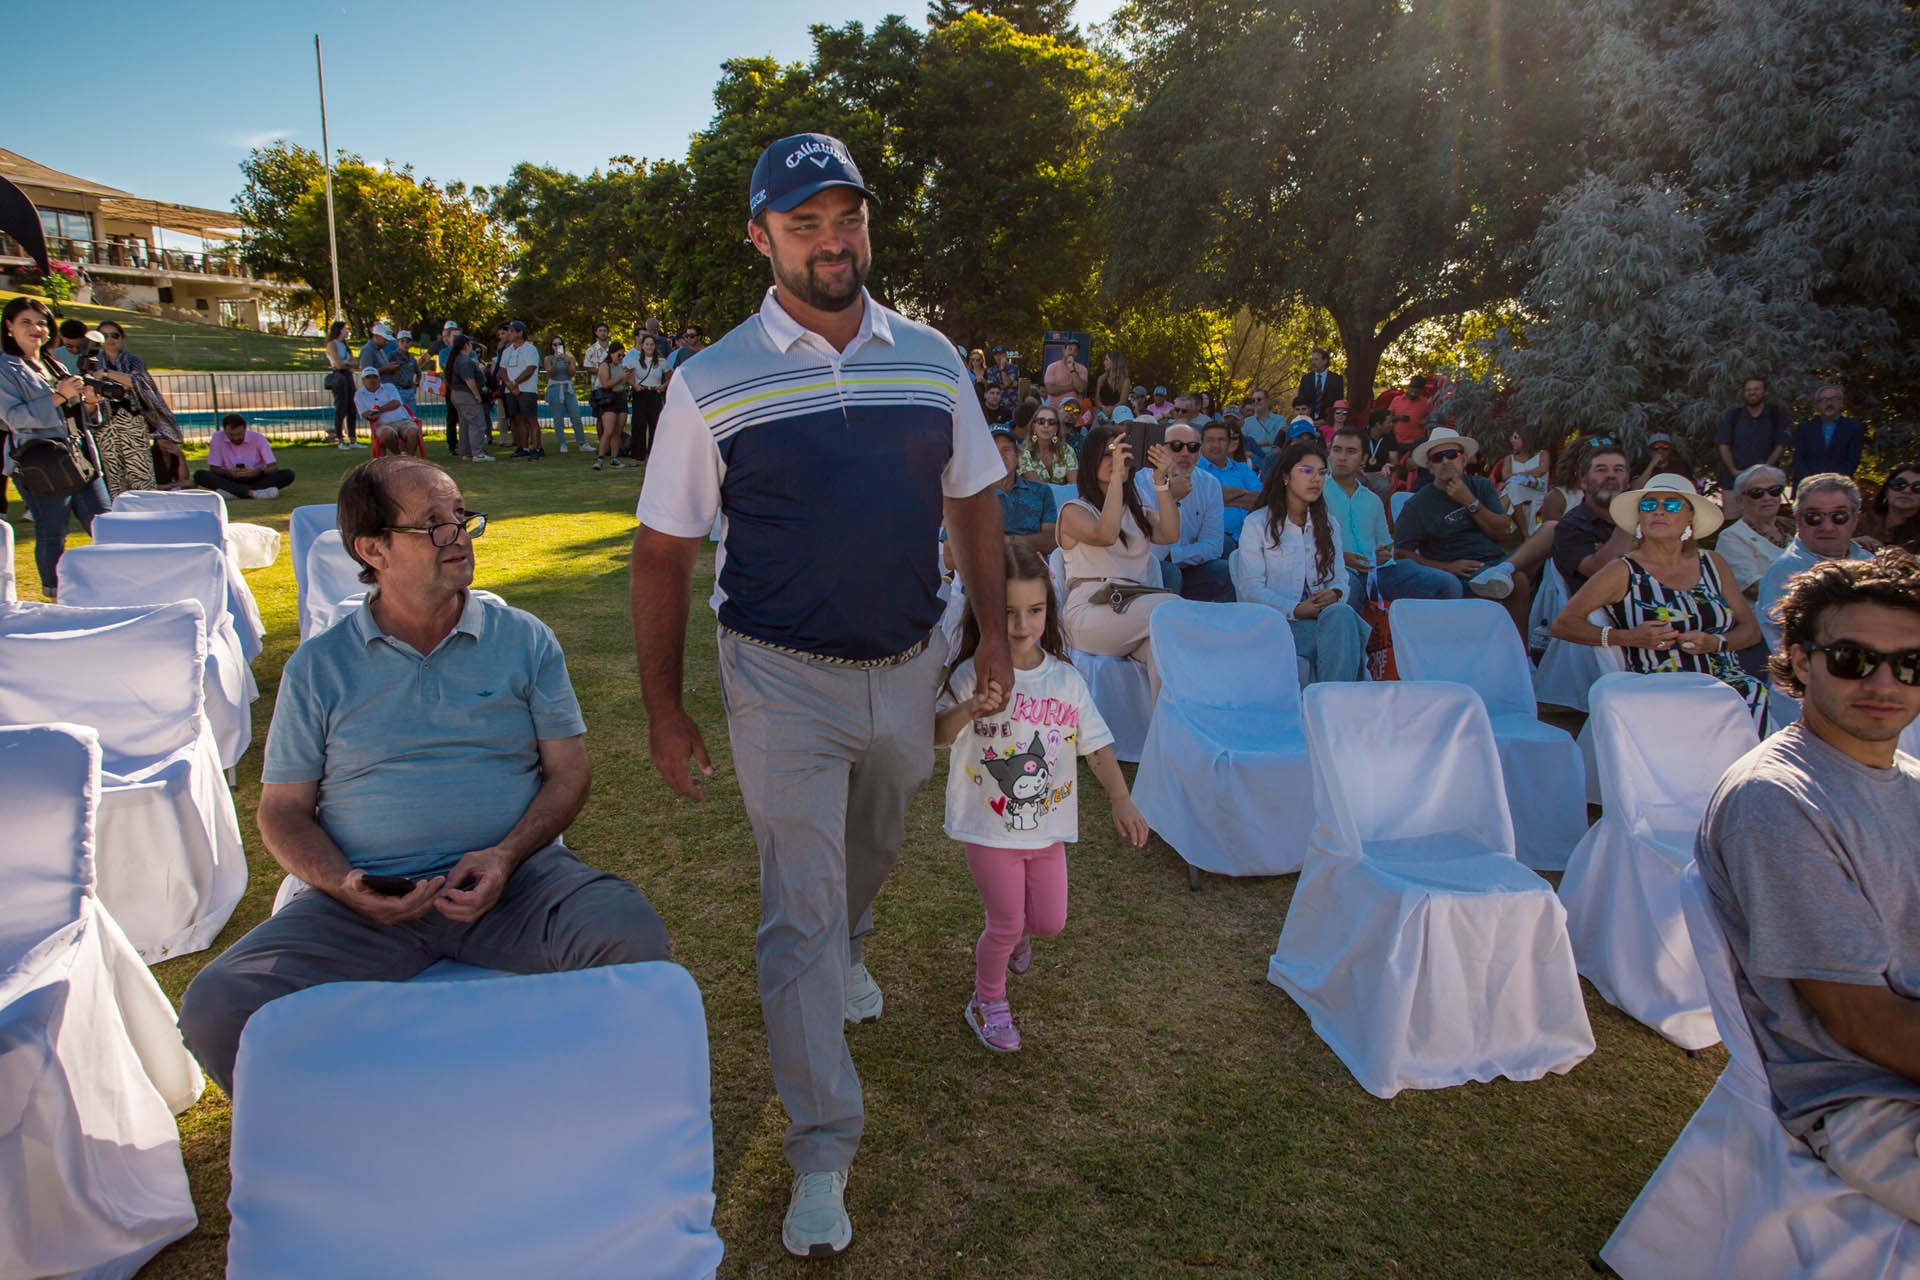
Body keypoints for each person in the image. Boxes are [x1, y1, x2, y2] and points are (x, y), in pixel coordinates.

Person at [629, 133, 1009, 1261]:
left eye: (848, 218)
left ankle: (853, 937)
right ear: (761, 237)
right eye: (804, 224)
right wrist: (665, 708)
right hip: (777, 675)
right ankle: (821, 1149)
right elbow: (663, 551)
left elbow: (973, 497)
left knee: (872, 844)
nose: (832, 241)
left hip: (908, 665)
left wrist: (991, 633)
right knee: (799, 901)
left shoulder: (931, 358)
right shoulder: (710, 380)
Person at [178, 457, 671, 1098]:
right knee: (218, 1005)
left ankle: (583, 1114)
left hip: (517, 884)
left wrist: (505, 856)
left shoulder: (523, 640)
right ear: (372, 549)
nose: (458, 535)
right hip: (367, 901)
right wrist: (346, 884)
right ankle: (337, 1134)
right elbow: (282, 811)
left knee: (629, 935)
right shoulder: (319, 667)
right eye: (433, 524)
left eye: (461, 517)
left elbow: (569, 772)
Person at [1694, 551, 1920, 1225]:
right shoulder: (1777, 803)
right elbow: (1862, 1020)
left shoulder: (1907, 779)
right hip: (1873, 1099)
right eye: (1853, 659)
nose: (1884, 682)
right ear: (1799, 658)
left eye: (1911, 664)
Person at [934, 541, 1148, 1054]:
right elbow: (933, 733)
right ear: (986, 613)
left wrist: (1120, 798)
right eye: (1008, 612)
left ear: (1049, 610)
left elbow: (1095, 745)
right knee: (1004, 922)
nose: (1022, 624)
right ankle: (987, 1000)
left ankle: (1017, 937)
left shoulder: (1065, 679)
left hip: (1047, 830)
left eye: (1034, 610)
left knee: (1049, 922)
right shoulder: (971, 674)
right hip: (989, 828)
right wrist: (969, 709)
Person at [1550, 472, 1769, 723]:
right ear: (1640, 517)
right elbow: (1563, 624)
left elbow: (1751, 630)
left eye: (1672, 505)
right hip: (1660, 683)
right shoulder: (1622, 570)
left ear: (1690, 517)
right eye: (1649, 505)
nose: (1659, 511)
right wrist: (1628, 637)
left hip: (1725, 680)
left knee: (1753, 692)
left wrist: (1715, 642)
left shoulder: (1713, 563)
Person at [1232, 437, 1371, 680]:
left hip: (1324, 617)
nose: (1316, 479)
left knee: (1341, 616)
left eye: (1321, 473)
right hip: (1277, 621)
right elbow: (1250, 589)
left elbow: (1341, 578)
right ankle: (1339, 697)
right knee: (1345, 633)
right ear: (1286, 476)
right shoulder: (1257, 524)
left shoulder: (1328, 525)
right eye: (1306, 471)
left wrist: (1335, 593)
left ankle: (1331, 697)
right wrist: (1296, 609)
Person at [0, 296, 111, 598]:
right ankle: (55, 596)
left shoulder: (54, 364)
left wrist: (90, 403)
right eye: (26, 322)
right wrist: (59, 396)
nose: (36, 328)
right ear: (9, 327)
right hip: (42, 462)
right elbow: (14, 417)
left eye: (42, 323)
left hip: (79, 456)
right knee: (52, 532)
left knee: (105, 524)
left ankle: (114, 584)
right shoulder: (5, 367)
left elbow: (75, 414)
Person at [1392, 427, 1555, 631]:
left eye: (1452, 454)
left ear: (1463, 460)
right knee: (1519, 580)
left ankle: (1504, 571)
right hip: (1458, 573)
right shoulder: (1417, 505)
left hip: (1497, 562)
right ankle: (1519, 647)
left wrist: (1469, 501)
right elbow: (1401, 553)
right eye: (1437, 457)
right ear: (1430, 466)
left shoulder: (1481, 486)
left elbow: (1501, 533)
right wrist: (1446, 567)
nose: (1445, 461)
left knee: (1551, 529)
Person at [1758, 473, 1875, 653]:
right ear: (1798, 519)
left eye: (1839, 516)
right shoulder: (1784, 574)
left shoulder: (1871, 563)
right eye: (1814, 517)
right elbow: (1786, 649)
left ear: (1855, 519)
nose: (1826, 527)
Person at [1136, 421, 1230, 601]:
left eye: (1193, 447)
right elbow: (1150, 552)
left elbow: (1213, 546)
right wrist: (1172, 499)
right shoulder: (1139, 483)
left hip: (1189, 566)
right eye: (1176, 446)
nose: (1185, 453)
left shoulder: (1209, 484)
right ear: (1160, 449)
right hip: (1148, 570)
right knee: (1169, 572)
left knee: (1224, 571)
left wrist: (1176, 555)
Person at [93, 321, 187, 487]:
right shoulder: (93, 361)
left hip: (132, 417)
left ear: (122, 338)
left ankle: (145, 501)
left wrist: (106, 373)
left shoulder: (133, 361)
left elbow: (137, 381)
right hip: (105, 420)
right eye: (105, 336)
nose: (110, 340)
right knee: (113, 473)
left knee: (141, 472)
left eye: (114, 335)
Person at [1550, 440, 1633, 594]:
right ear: (1583, 482)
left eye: (1618, 470)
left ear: (1628, 482)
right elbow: (1598, 569)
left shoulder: (1647, 519)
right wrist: (1628, 523)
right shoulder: (1571, 526)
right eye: (1601, 470)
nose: (1611, 475)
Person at [1714, 464, 1794, 599]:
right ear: (1740, 500)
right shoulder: (1732, 537)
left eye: (1774, 490)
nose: (1767, 497)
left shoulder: (1794, 528)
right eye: (1757, 492)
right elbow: (1754, 588)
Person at [195, 413, 294, 500]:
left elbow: (273, 466)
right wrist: (229, 473)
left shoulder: (258, 438)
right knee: (199, 475)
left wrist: (258, 471)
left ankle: (235, 492)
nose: (236, 438)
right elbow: (214, 468)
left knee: (288, 474)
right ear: (224, 430)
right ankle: (253, 493)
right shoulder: (217, 438)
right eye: (231, 435)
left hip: (256, 477)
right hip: (229, 477)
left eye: (240, 434)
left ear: (245, 429)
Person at [990, 429, 1057, 555]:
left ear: (1017, 455)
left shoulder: (1041, 491)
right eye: (993, 451)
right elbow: (954, 553)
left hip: (1033, 565)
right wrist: (1028, 542)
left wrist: (1008, 541)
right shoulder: (974, 496)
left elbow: (1051, 540)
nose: (1000, 457)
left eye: (1006, 450)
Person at [1716, 375, 1790, 488]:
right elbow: (1723, 444)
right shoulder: (1733, 415)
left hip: (1766, 481)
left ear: (1765, 392)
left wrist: (1765, 469)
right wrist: (1733, 470)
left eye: (1756, 389)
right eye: (1748, 390)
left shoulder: (1776, 414)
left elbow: (1780, 445)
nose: (1752, 393)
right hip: (1734, 481)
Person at [1197, 419, 1261, 545]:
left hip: (1250, 535)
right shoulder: (1195, 470)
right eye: (1210, 440)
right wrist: (1244, 493)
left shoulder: (1242, 468)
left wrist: (1223, 498)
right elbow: (1202, 500)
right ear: (1202, 443)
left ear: (1228, 443)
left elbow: (1261, 498)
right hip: (1213, 538)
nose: (1216, 445)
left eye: (1221, 440)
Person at [1792, 383, 1865, 479]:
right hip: (1809, 483)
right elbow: (1799, 459)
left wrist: (1832, 480)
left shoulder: (1853, 428)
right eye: (1824, 400)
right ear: (1818, 405)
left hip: (1840, 483)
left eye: (1833, 399)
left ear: (1841, 402)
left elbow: (1852, 460)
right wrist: (1814, 480)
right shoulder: (1805, 428)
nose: (1829, 403)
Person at [443, 334, 493, 463]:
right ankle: (477, 452)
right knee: (477, 422)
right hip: (466, 395)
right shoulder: (465, 361)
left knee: (465, 424)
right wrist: (477, 395)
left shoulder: (454, 360)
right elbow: (469, 381)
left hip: (456, 394)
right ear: (466, 345)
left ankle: (467, 452)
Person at [497, 321, 542, 460]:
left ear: (520, 333)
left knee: (531, 419)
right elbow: (502, 370)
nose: (509, 334)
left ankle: (537, 448)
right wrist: (509, 384)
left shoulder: (530, 349)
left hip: (526, 389)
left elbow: (530, 368)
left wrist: (515, 383)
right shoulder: (507, 351)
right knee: (517, 419)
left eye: (512, 331)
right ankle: (523, 447)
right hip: (510, 390)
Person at [353, 366, 421, 456]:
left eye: (374, 377)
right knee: (386, 433)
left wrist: (378, 410)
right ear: (363, 380)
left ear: (379, 378)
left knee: (413, 431)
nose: (371, 380)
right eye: (368, 377)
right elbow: (364, 413)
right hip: (382, 424)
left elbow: (396, 403)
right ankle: (399, 455)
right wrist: (370, 416)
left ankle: (410, 457)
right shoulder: (359, 395)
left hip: (403, 420)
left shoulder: (389, 387)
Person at [624, 333, 669, 460]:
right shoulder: (635, 361)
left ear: (655, 346)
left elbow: (670, 376)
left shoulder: (661, 362)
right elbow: (625, 373)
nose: (649, 347)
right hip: (641, 393)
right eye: (647, 344)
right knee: (639, 424)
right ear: (642, 346)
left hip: (654, 393)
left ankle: (654, 453)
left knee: (655, 424)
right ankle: (638, 454)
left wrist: (663, 386)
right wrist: (634, 384)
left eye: (652, 344)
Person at [1500, 425, 1550, 534]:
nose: (1511, 440)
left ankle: (1498, 525)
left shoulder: (1542, 454)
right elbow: (1505, 476)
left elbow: (1541, 470)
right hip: (1517, 492)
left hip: (1537, 491)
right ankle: (1525, 534)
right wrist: (1525, 477)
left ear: (1526, 438)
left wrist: (1517, 476)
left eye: (1516, 437)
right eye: (1512, 437)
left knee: (1511, 489)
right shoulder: (1509, 458)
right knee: (1513, 488)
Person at [1863, 460, 1920, 553]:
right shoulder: (1857, 521)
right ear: (1886, 489)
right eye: (1899, 484)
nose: (1906, 491)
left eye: (1917, 488)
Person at [591, 341, 631, 470]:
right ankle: (600, 458)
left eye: (623, 355)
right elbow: (606, 384)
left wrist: (627, 379)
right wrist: (621, 377)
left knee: (618, 431)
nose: (621, 358)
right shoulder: (605, 366)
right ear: (612, 354)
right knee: (608, 430)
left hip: (621, 397)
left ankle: (615, 458)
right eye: (619, 355)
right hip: (609, 399)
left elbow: (625, 383)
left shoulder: (622, 366)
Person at [1018, 406, 1077, 484]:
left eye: (1051, 422)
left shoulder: (1067, 450)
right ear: (1033, 426)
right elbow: (1039, 487)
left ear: (1057, 427)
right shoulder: (1023, 452)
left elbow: (1074, 485)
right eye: (1041, 421)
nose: (1046, 425)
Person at [322, 320, 357, 447]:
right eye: (345, 329)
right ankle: (340, 439)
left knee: (352, 407)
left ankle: (353, 438)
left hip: (348, 375)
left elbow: (355, 362)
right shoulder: (332, 344)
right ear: (339, 330)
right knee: (341, 407)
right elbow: (338, 364)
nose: (347, 331)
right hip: (339, 376)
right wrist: (347, 363)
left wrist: (347, 363)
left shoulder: (345, 345)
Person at [1295, 347, 1344, 422]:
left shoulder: (1336, 379)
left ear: (1325, 361)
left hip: (1328, 422)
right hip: (1308, 421)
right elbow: (1300, 401)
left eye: (1316, 359)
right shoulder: (1306, 379)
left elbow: (1338, 404)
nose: (1313, 363)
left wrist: (1326, 420)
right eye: (1312, 360)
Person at [1043, 340, 1088, 405]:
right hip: (1056, 407)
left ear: (1077, 353)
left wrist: (1072, 369)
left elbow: (1080, 389)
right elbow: (1050, 389)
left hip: (1074, 408)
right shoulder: (1052, 367)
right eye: (1070, 349)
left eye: (1075, 350)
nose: (1072, 352)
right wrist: (1073, 387)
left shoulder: (1082, 369)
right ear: (1064, 350)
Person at [390, 330, 420, 414]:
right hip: (397, 390)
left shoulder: (411, 357)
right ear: (397, 342)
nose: (405, 344)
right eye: (402, 341)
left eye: (407, 342)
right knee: (398, 415)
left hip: (410, 391)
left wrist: (416, 384)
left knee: (411, 415)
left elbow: (418, 372)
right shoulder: (392, 356)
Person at [1093, 351, 1128, 417]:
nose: (1104, 362)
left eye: (1106, 360)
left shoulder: (1125, 380)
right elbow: (1097, 399)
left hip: (1118, 413)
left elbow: (1123, 401)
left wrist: (1111, 409)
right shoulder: (1101, 378)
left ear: (1114, 362)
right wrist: (1103, 408)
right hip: (1102, 412)